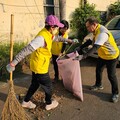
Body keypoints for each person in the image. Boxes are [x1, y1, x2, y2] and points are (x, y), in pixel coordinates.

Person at [6, 15, 74, 110]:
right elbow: (27, 50)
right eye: (57, 27)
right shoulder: (41, 38)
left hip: (38, 65)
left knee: (35, 84)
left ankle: (26, 101)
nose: (57, 29)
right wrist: (14, 62)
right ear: (52, 27)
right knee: (49, 86)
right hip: (39, 67)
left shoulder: (48, 34)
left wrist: (69, 40)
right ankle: (49, 103)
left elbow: (57, 38)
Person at [74, 16, 119, 103]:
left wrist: (83, 56)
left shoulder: (102, 33)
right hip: (103, 55)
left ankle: (115, 93)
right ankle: (99, 85)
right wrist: (80, 47)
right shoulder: (95, 30)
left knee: (111, 75)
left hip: (111, 56)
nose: (87, 29)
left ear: (94, 24)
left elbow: (95, 47)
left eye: (88, 26)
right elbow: (90, 41)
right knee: (98, 70)